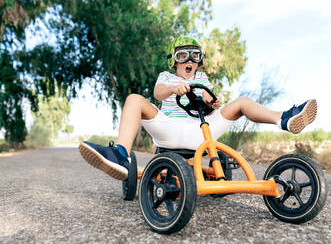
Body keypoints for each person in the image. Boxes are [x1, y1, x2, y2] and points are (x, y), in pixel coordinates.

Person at [78, 36, 317, 181]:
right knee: (133, 99)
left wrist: (211, 104)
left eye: (194, 56)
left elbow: (209, 107)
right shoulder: (166, 77)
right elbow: (157, 93)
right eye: (182, 56)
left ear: (199, 61)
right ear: (174, 61)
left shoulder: (203, 80)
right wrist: (175, 89)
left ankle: (284, 119)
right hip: (168, 131)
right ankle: (121, 155)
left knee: (242, 101)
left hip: (200, 133)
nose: (189, 60)